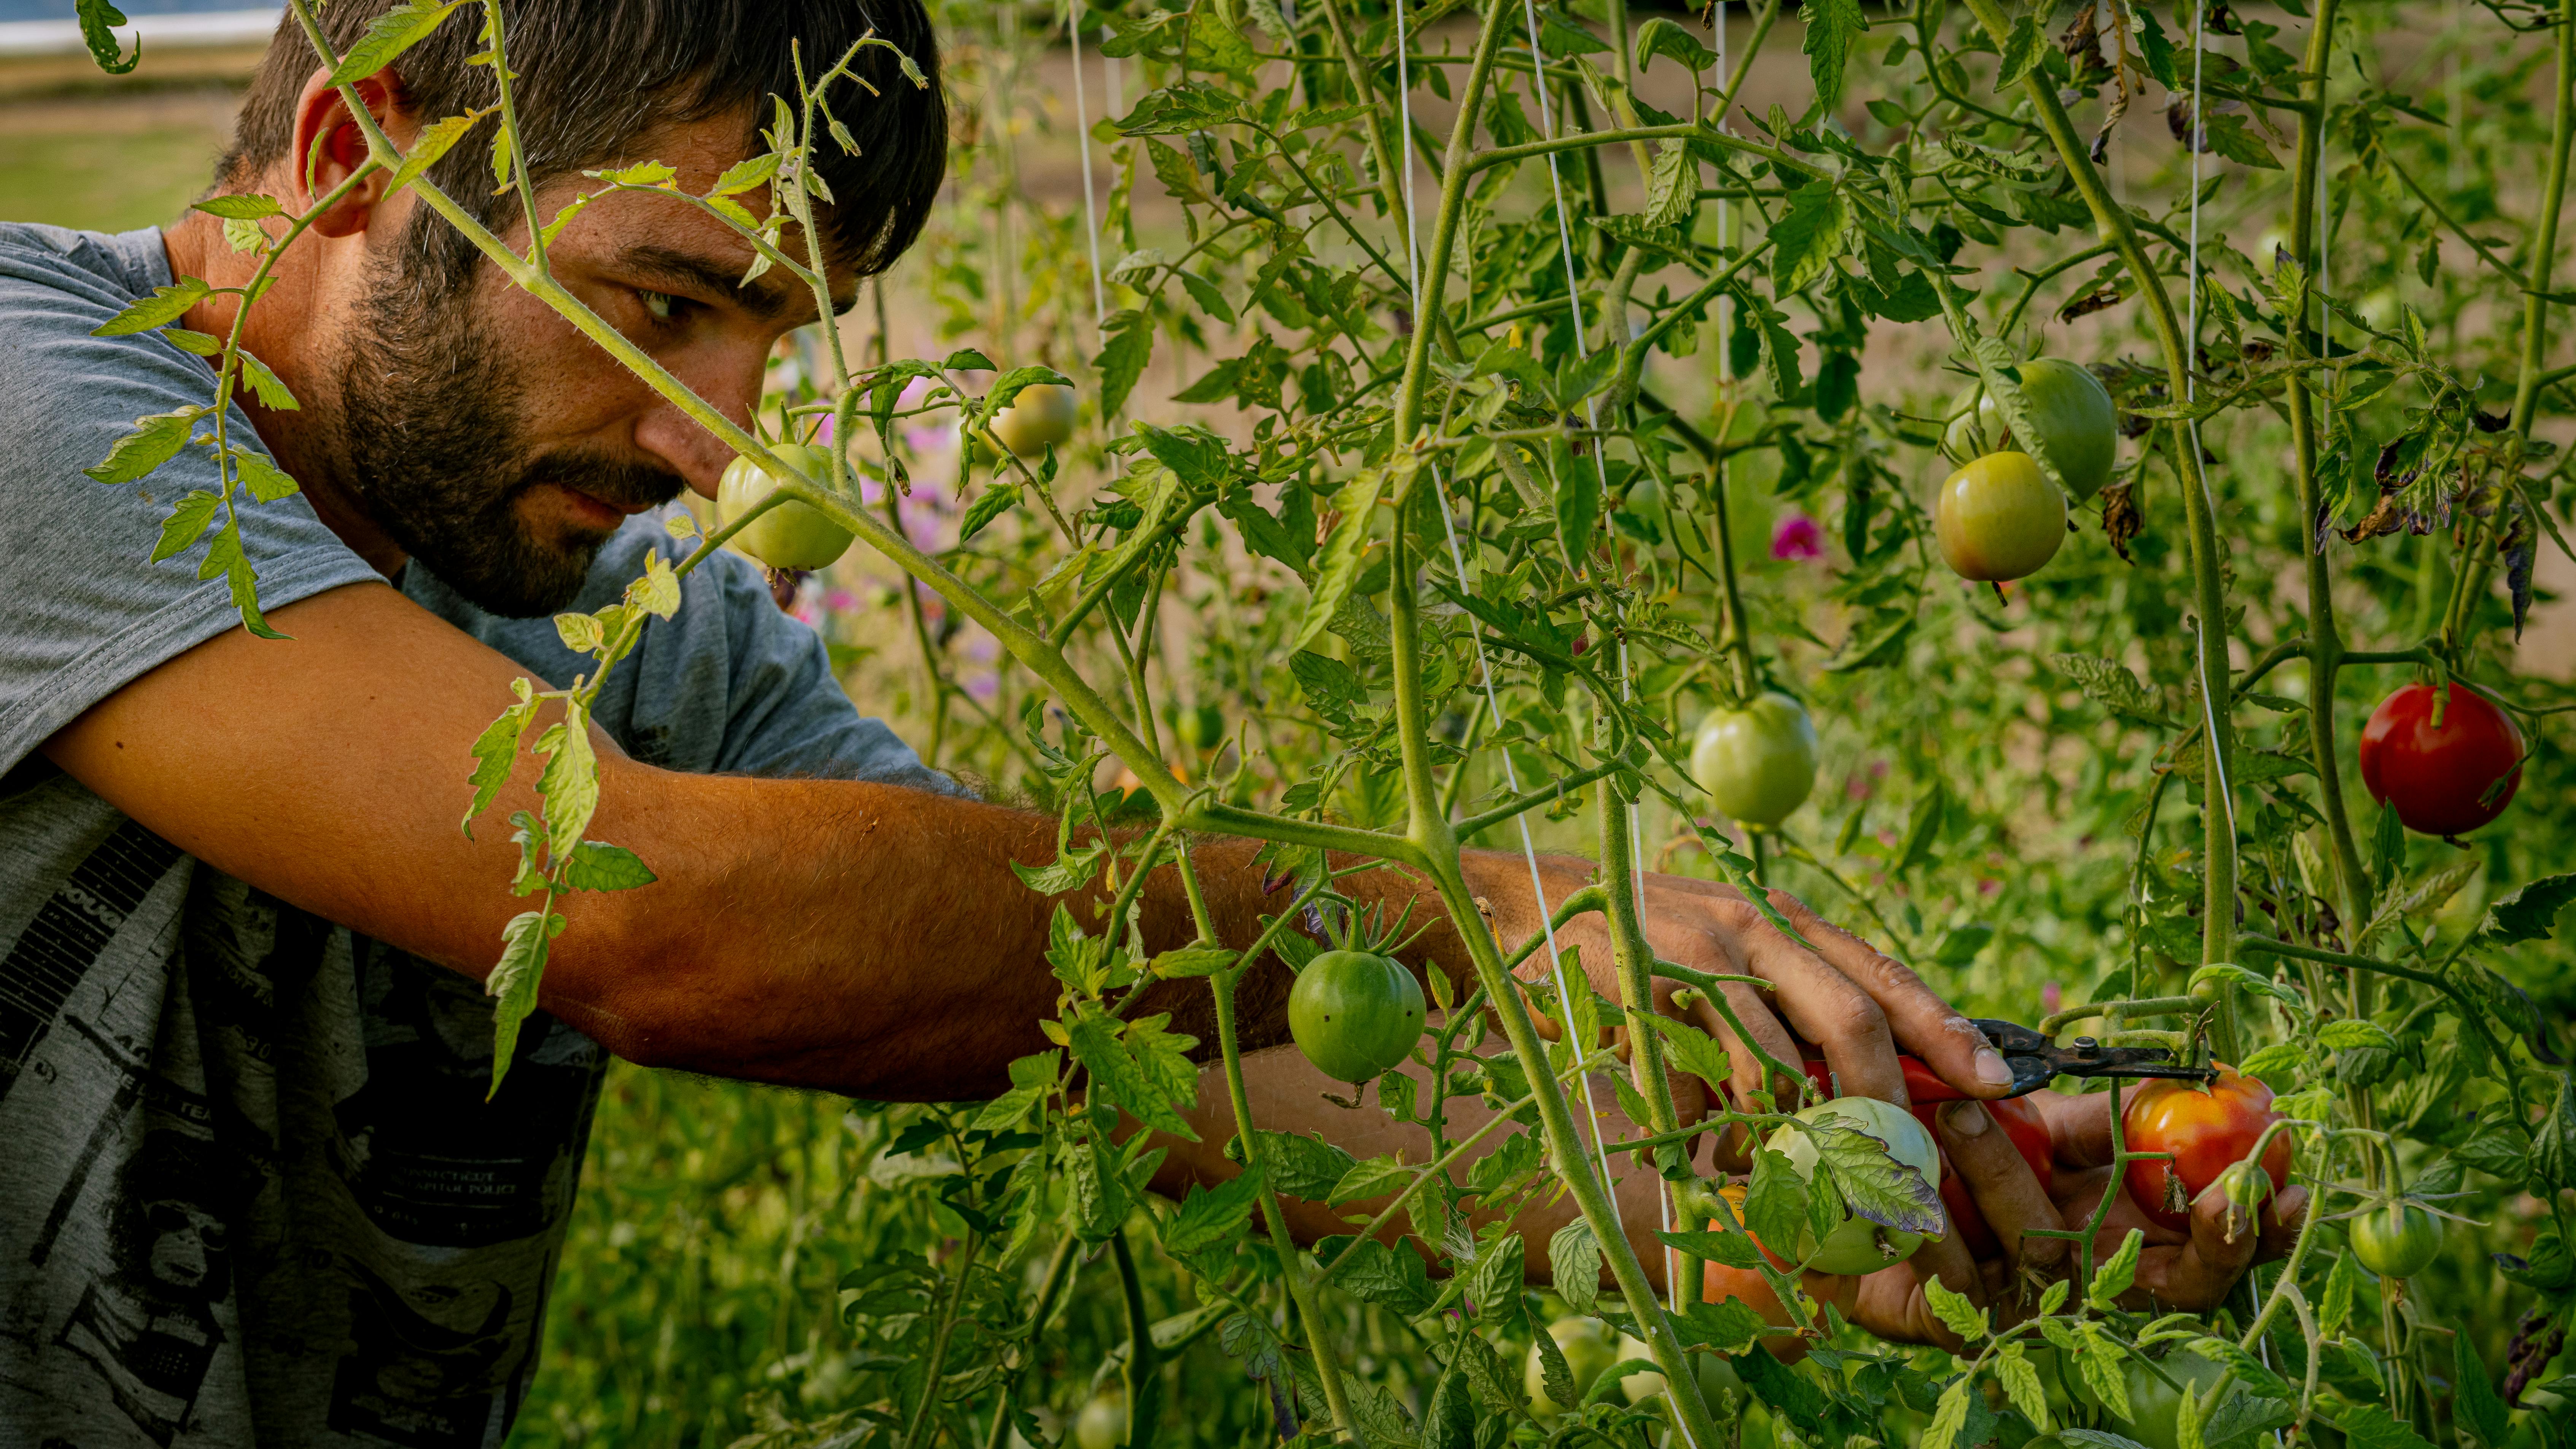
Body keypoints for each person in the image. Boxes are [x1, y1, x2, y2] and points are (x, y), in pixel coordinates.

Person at [0, 2, 2297, 1443]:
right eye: (666, 302)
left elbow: (1110, 1020)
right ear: (353, 152)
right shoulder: (32, 397)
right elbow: (641, 916)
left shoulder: (614, 603)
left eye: (774, 342)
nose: (723, 447)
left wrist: (1827, 1222)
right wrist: (1472, 905)